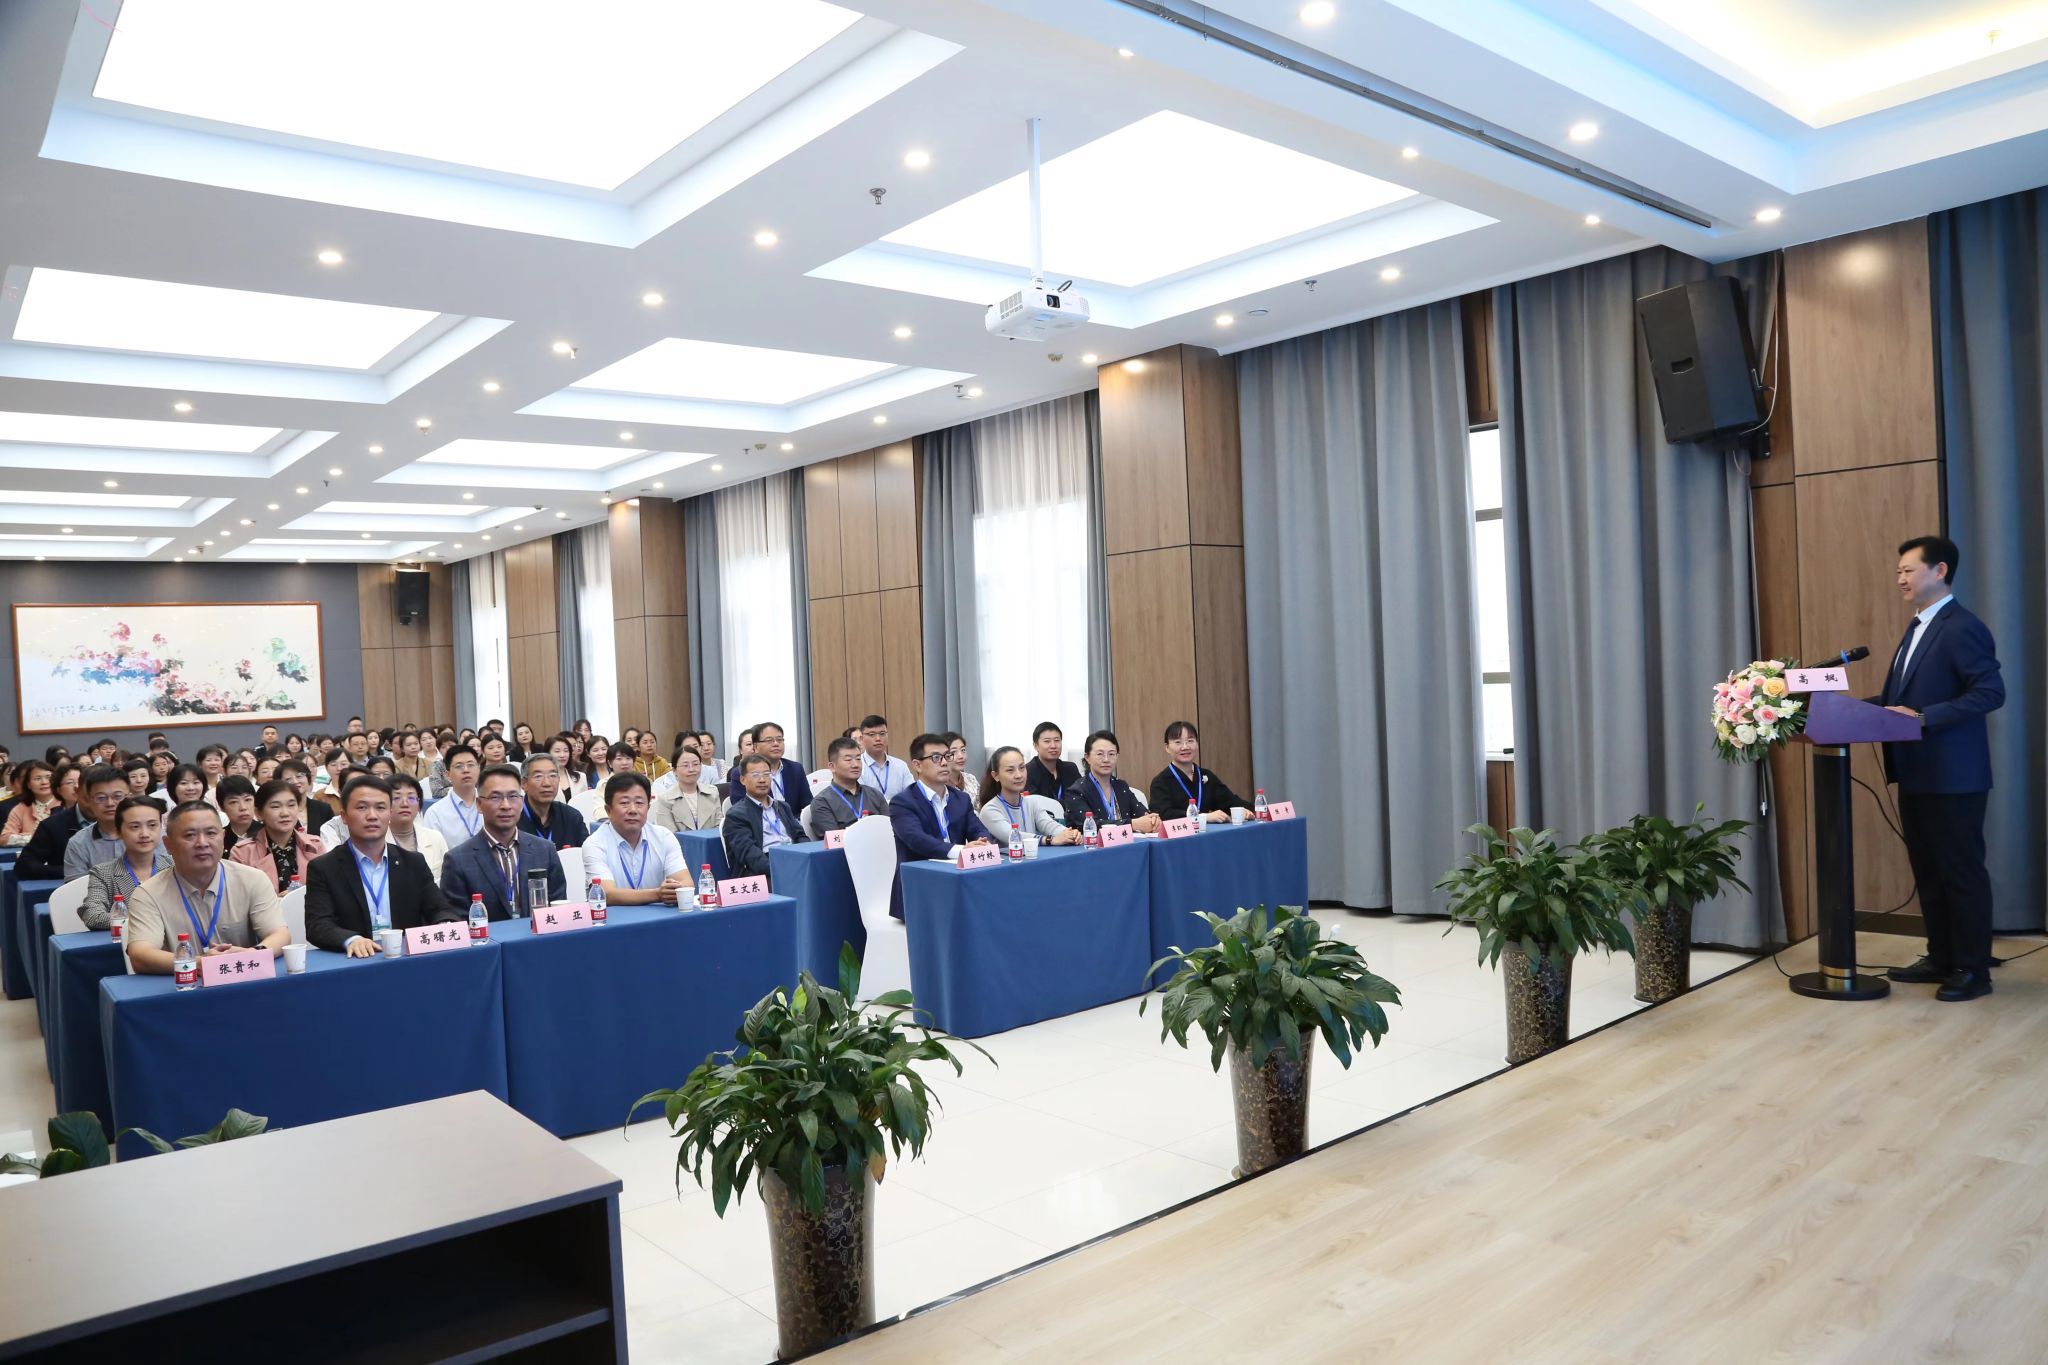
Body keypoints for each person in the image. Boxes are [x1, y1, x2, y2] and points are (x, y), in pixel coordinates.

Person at [1870, 535, 2007, 1003]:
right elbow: (1898, 701)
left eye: (1908, 570)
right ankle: (1942, 957)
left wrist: (1925, 718)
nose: (1900, 579)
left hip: (1954, 777)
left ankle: (1972, 969)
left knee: (1959, 872)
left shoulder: (1961, 627)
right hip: (1916, 773)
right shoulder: (1918, 627)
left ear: (1940, 570)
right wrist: (1842, 710)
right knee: (1928, 871)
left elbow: (1989, 693)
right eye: (1898, 572)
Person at [124, 801, 286, 974]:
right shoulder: (148, 894)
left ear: (223, 838)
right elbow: (140, 955)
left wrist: (251, 954)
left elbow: (280, 935)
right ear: (168, 844)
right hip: (184, 986)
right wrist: (198, 964)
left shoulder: (252, 879)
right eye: (190, 835)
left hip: (244, 979)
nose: (202, 843)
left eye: (211, 833)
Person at [305, 775, 457, 956]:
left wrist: (444, 924)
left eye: (380, 808)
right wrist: (352, 940)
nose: (372, 816)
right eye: (362, 807)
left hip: (407, 958)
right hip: (357, 961)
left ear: (390, 814)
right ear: (344, 816)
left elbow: (440, 909)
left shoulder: (413, 862)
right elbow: (318, 925)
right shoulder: (324, 868)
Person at [885, 734, 995, 918]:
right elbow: (917, 840)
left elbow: (977, 828)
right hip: (920, 887)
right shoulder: (902, 802)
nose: (944, 763)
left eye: (947, 756)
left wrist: (983, 843)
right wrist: (961, 850)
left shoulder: (961, 798)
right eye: (936, 757)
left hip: (959, 879)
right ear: (917, 765)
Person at [438, 765, 566, 922]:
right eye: (495, 797)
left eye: (513, 796)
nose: (506, 805)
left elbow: (558, 908)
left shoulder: (545, 850)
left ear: (521, 802)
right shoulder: (457, 860)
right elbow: (457, 921)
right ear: (479, 804)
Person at [585, 771, 690, 905]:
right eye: (624, 803)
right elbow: (605, 893)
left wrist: (674, 889)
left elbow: (686, 883)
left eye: (639, 803)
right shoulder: (594, 844)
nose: (633, 810)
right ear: (608, 810)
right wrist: (657, 894)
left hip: (659, 916)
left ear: (648, 808)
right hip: (614, 917)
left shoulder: (664, 836)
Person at [80, 796, 173, 930]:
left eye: (152, 825)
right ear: (119, 831)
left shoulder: (175, 866)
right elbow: (93, 916)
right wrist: (144, 919)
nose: (144, 834)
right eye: (135, 827)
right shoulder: (103, 873)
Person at [723, 753, 808, 878]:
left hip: (793, 859)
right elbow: (752, 857)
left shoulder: (782, 807)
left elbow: (800, 836)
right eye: (755, 775)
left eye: (767, 774)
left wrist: (805, 859)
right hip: (764, 872)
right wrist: (786, 870)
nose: (762, 780)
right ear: (743, 780)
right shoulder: (736, 815)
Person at [230, 778, 325, 890]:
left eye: (291, 805)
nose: (285, 813)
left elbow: (326, 889)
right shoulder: (242, 853)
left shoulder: (315, 846)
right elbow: (238, 895)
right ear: (259, 813)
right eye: (275, 806)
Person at [1062, 729, 1162, 833]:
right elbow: (1090, 825)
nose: (1106, 759)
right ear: (1087, 757)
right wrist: (1132, 824)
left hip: (1125, 841)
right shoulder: (1076, 792)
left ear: (1117, 756)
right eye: (1100, 754)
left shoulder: (1121, 786)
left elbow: (1141, 812)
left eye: (1111, 754)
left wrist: (1152, 820)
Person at [1146, 721, 1247, 823]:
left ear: (1197, 744)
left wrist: (1245, 810)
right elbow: (1163, 814)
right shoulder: (1161, 782)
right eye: (1178, 742)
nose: (1185, 747)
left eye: (1190, 741)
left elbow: (1229, 802)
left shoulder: (1206, 776)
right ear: (1167, 747)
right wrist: (1203, 817)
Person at [980, 746, 1081, 847]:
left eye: (1022, 768)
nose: (1019, 775)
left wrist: (1070, 834)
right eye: (1010, 770)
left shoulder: (1031, 803)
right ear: (996, 776)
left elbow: (1048, 824)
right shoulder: (990, 810)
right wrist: (1049, 840)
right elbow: (1011, 835)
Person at [725, 721, 812, 823]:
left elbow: (807, 805)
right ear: (755, 747)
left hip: (794, 826)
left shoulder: (795, 769)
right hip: (761, 827)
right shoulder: (742, 772)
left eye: (779, 740)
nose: (776, 744)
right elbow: (742, 810)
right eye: (769, 740)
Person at [806, 737, 887, 838]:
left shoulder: (875, 795)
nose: (856, 765)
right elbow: (834, 840)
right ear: (832, 767)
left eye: (858, 759)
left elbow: (890, 829)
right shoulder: (822, 802)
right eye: (848, 760)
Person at [62, 765, 133, 879]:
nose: (110, 803)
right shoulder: (78, 843)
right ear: (89, 800)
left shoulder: (150, 834)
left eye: (117, 796)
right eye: (101, 798)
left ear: (129, 798)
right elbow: (75, 887)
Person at [384, 772, 449, 880]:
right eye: (396, 798)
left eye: (411, 798)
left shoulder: (435, 838)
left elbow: (448, 879)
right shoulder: (376, 842)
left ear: (419, 805)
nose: (405, 804)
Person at [517, 753, 589, 850]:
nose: (547, 783)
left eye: (552, 775)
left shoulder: (571, 816)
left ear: (559, 780)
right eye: (538, 776)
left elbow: (588, 852)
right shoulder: (512, 818)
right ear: (524, 783)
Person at [420, 743, 484, 847]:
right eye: (459, 766)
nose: (466, 770)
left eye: (471, 765)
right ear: (448, 774)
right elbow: (434, 852)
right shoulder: (435, 813)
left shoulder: (491, 804)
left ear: (479, 769)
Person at [653, 747, 725, 832]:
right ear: (674, 770)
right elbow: (669, 835)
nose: (691, 769)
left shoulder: (712, 792)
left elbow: (719, 828)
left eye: (695, 764)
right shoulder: (665, 799)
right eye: (685, 765)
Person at [855, 715, 912, 800]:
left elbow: (911, 795)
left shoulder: (900, 766)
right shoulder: (856, 766)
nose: (878, 738)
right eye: (872, 734)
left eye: (882, 734)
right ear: (862, 738)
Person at [1, 760, 57, 845]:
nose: (44, 782)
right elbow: (4, 838)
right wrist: (34, 838)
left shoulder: (65, 804)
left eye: (48, 777)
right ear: (28, 784)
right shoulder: (21, 808)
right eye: (38, 778)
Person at [1025, 722, 1082, 800]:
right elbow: (1034, 803)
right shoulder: (1028, 772)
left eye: (1057, 740)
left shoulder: (1070, 769)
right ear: (1036, 746)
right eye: (1047, 741)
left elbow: (1081, 796)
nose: (1053, 746)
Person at [275, 758, 334, 831]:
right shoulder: (277, 811)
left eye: (299, 776)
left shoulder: (323, 809)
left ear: (308, 778)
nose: (295, 781)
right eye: (288, 779)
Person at [215, 774, 261, 850]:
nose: (243, 807)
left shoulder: (268, 834)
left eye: (247, 800)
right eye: (234, 802)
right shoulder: (219, 838)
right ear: (221, 807)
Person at [940, 732, 980, 803]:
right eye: (953, 752)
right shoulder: (938, 785)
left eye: (963, 750)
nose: (961, 756)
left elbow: (980, 806)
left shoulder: (971, 779)